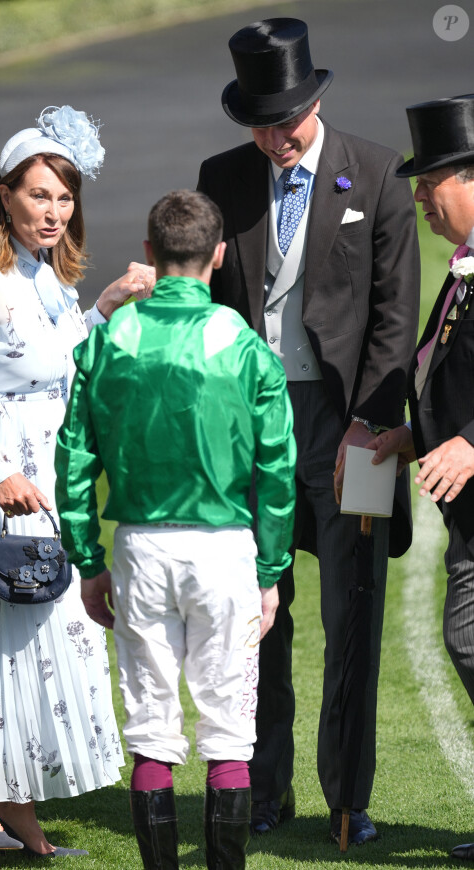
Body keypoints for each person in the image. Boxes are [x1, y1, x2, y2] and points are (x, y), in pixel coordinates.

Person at [196, 18, 420, 844]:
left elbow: (395, 318)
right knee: (255, 619)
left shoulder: (379, 174)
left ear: (315, 101)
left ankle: (346, 801)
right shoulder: (223, 176)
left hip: (353, 426)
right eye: (258, 123)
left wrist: (371, 426)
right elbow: (215, 311)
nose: (273, 137)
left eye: (283, 121)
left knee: (353, 617)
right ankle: (264, 790)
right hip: (252, 430)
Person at [0, 104, 155, 857]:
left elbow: (54, 357)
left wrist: (105, 305)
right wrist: (0, 472)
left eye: (65, 197)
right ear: (3, 194)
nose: (54, 211)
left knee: (47, 639)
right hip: (5, 482)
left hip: (48, 474)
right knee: (23, 629)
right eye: (39, 195)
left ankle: (17, 804)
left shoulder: (43, 274)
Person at [55, 189, 296, 869]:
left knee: (153, 725)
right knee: (227, 727)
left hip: (140, 545)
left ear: (149, 254)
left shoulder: (110, 339)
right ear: (219, 255)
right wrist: (271, 572)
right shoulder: (243, 344)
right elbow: (277, 469)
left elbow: (73, 457)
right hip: (224, 549)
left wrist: (88, 559)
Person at [368, 94, 474, 863]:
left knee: (467, 637)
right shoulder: (461, 275)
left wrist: (472, 444)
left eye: (428, 179)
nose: (418, 198)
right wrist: (420, 435)